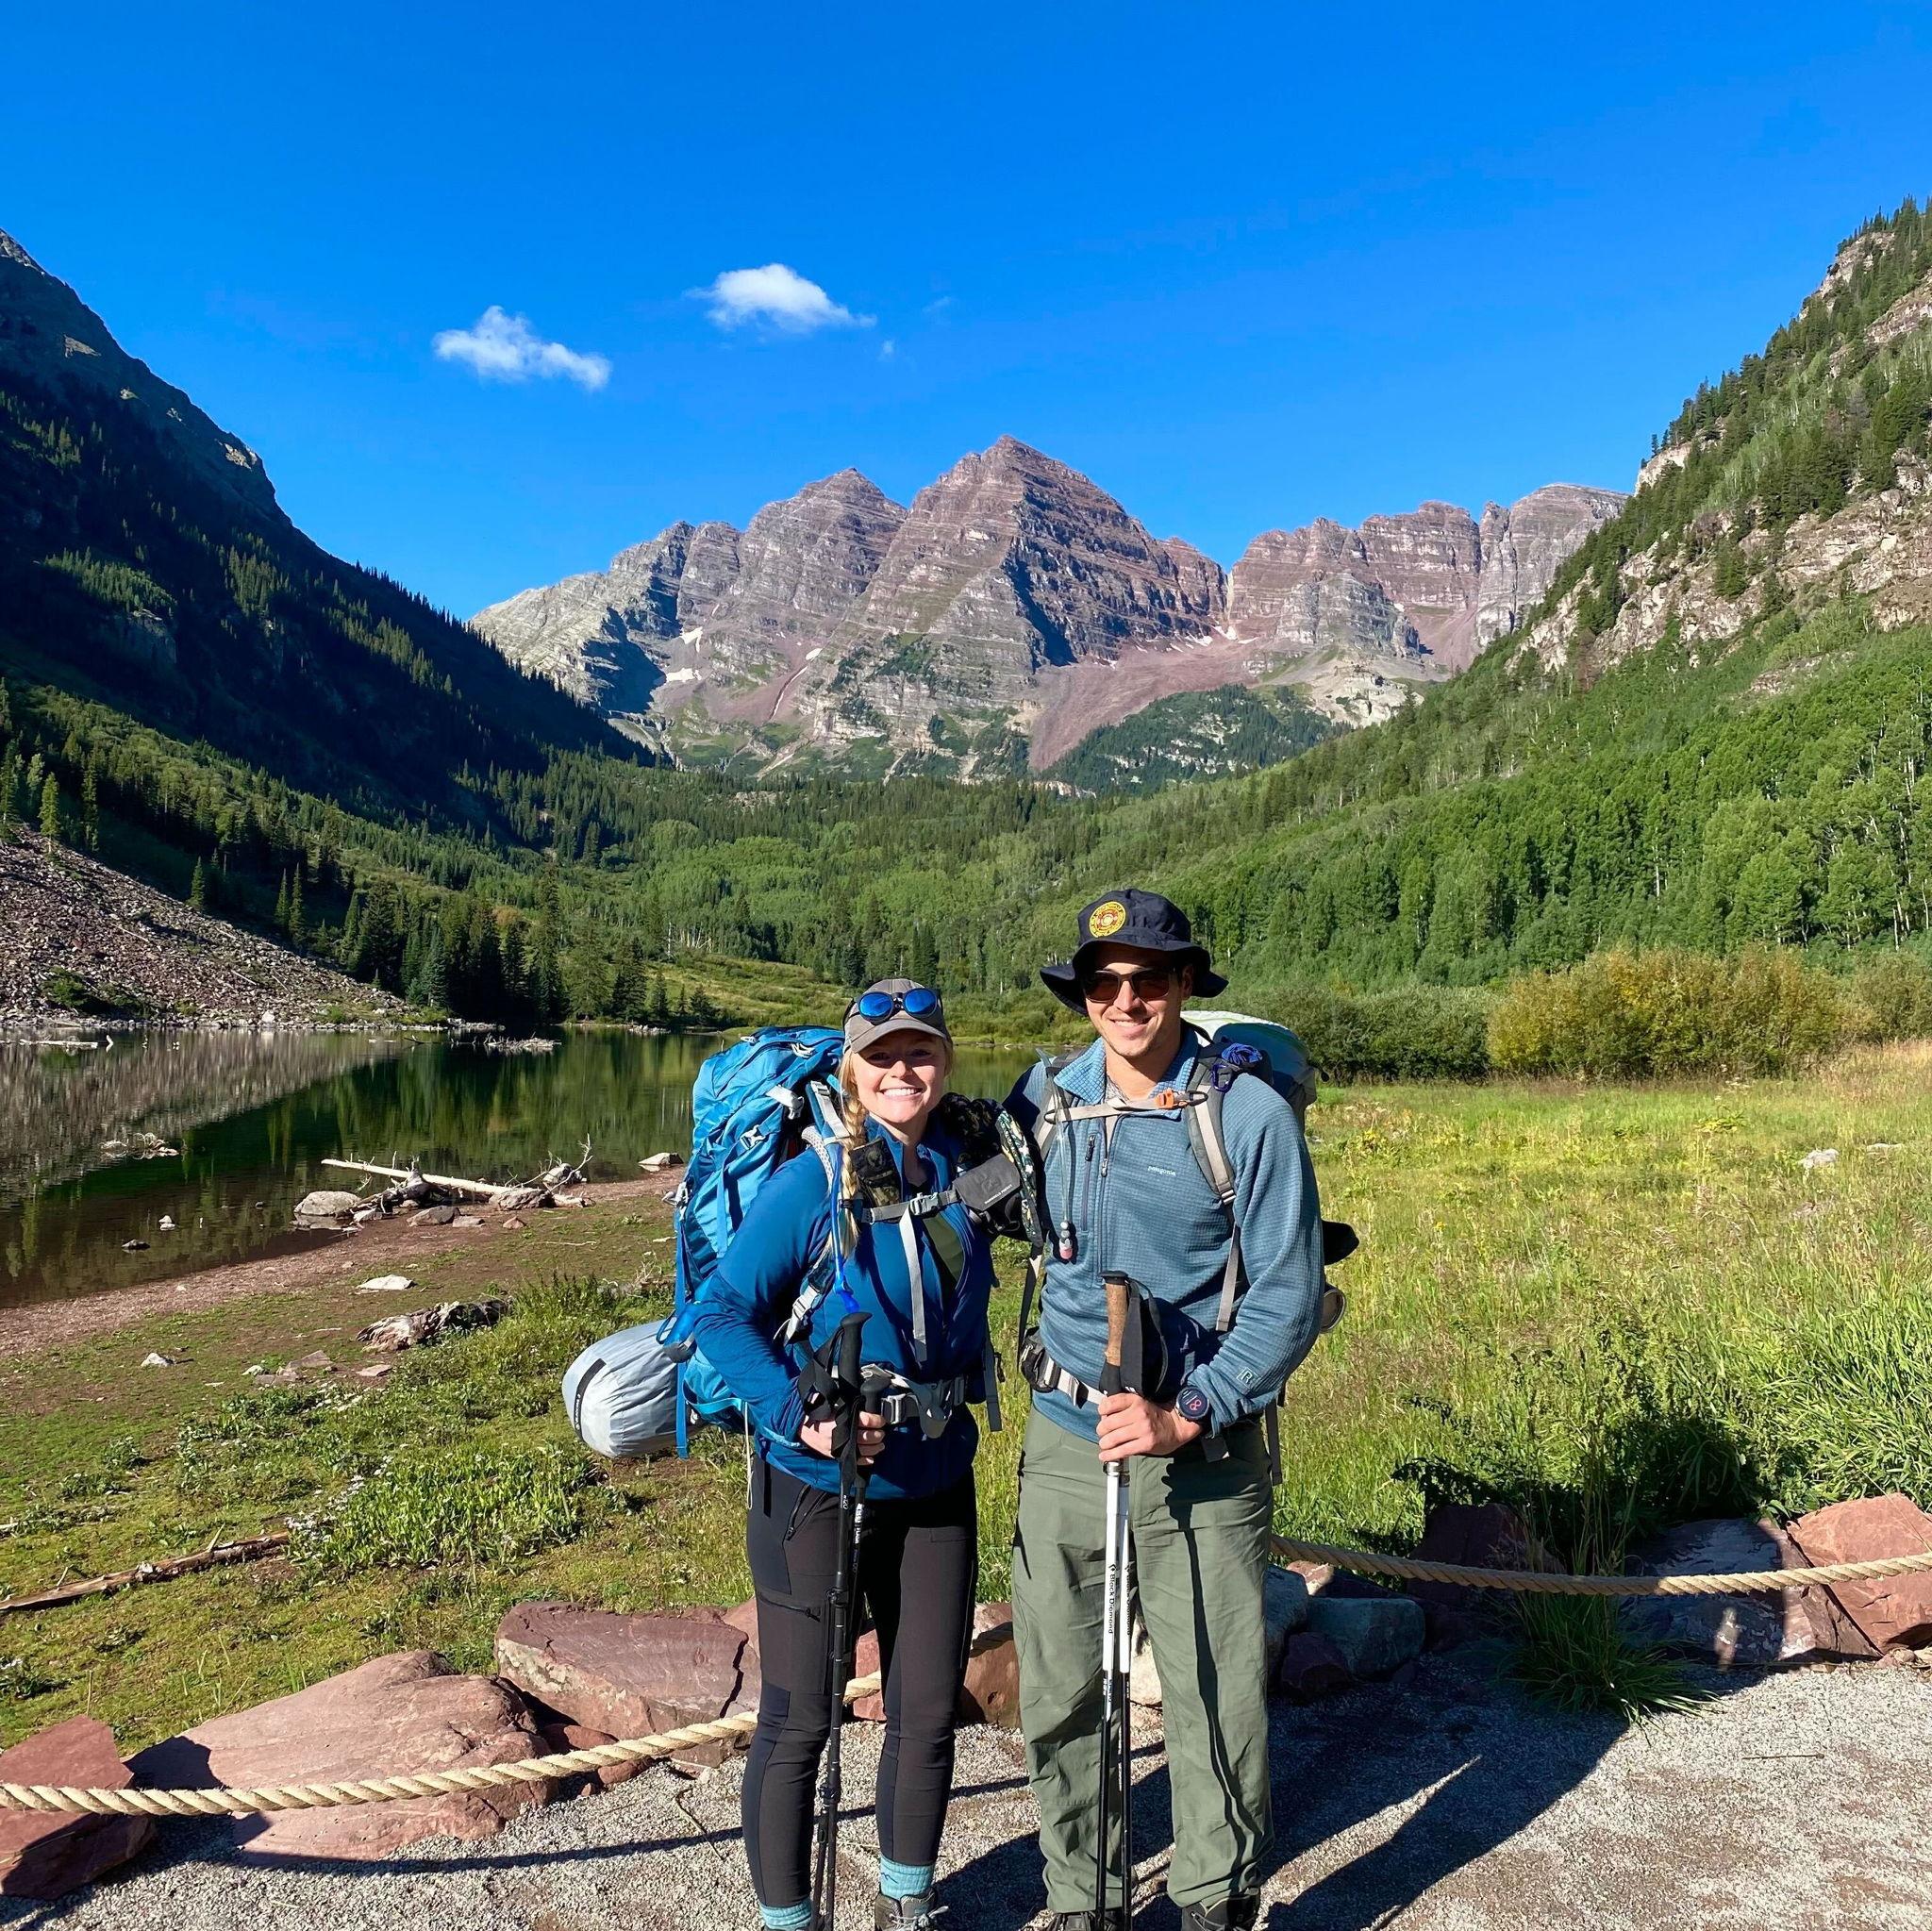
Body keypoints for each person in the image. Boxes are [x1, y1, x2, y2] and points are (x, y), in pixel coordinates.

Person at [1005, 891, 1327, 1931]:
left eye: (1149, 978)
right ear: (1082, 994)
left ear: (1187, 982)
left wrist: (1189, 1412)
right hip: (1064, 1432)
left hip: (1199, 1441)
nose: (1126, 998)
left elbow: (1284, 1291)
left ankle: (1212, 1895)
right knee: (1057, 1682)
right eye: (1104, 981)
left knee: (1208, 1683)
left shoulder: (1246, 1114)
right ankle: (1081, 1895)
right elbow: (969, 1207)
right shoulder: (1044, 1097)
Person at [691, 980, 997, 1931]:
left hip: (937, 1473)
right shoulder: (811, 1181)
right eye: (882, 1055)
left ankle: (905, 1903)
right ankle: (788, 1920)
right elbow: (716, 1315)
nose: (902, 1069)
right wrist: (799, 1412)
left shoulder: (961, 1163)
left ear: (942, 1062)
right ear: (851, 1070)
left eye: (919, 1052)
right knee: (799, 1719)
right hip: (817, 1484)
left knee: (923, 1710)